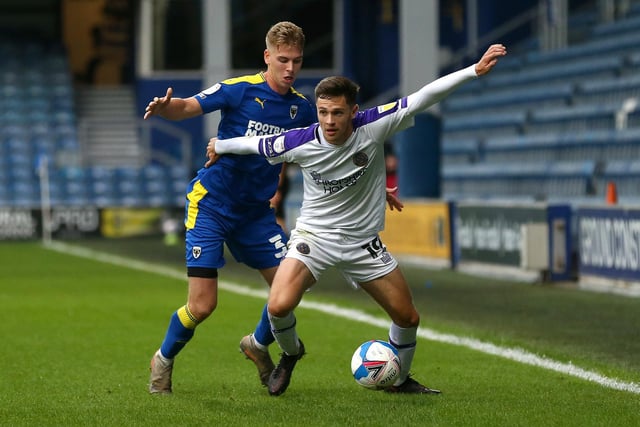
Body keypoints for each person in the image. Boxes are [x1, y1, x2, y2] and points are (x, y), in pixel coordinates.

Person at [207, 43, 507, 396]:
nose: (329, 122)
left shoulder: (375, 125)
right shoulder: (300, 141)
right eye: (322, 113)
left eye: (337, 113)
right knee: (278, 304)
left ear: (353, 111)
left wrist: (473, 70)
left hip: (363, 243)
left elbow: (425, 96)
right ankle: (290, 354)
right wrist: (220, 145)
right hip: (314, 238)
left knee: (408, 317)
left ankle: (399, 379)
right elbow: (255, 144)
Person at [144, 21, 316, 394]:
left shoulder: (301, 110)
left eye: (297, 62)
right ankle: (163, 359)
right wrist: (165, 107)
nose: (290, 69)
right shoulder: (239, 90)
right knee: (203, 306)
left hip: (255, 213)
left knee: (288, 292)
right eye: (283, 60)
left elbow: (322, 152)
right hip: (212, 205)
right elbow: (189, 106)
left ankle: (256, 343)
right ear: (267, 57)